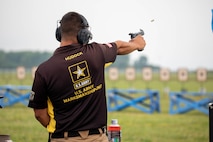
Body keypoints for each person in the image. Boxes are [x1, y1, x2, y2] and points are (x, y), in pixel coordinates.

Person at [28, 11, 146, 142]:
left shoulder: (44, 70)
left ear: (59, 33)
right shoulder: (96, 53)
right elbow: (118, 46)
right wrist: (137, 44)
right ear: (84, 34)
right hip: (97, 138)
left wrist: (60, 131)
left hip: (62, 138)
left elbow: (39, 113)